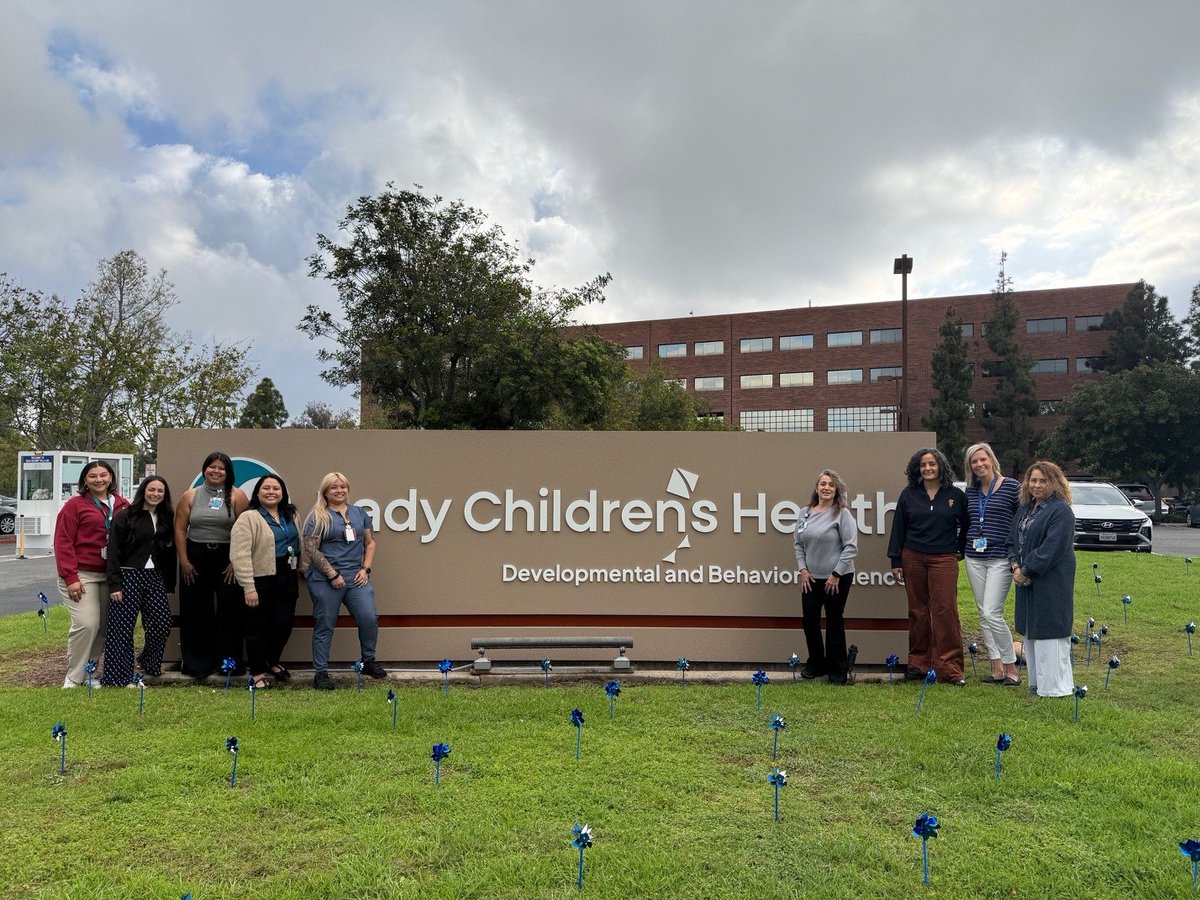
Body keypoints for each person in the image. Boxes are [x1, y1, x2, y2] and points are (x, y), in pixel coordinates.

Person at [887, 447, 969, 685]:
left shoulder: (955, 495)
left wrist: (959, 549)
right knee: (918, 612)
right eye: (923, 465)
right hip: (913, 557)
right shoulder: (909, 494)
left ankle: (950, 669)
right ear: (917, 468)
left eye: (932, 464)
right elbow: (899, 528)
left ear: (941, 466)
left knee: (946, 611)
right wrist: (896, 560)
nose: (928, 468)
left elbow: (967, 524)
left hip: (944, 559)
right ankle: (919, 664)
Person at [303, 472, 385, 690]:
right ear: (325, 491)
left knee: (369, 618)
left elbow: (370, 543)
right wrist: (333, 574)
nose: (339, 491)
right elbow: (310, 549)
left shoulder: (360, 513)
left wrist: (366, 569)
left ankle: (368, 661)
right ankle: (321, 673)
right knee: (325, 624)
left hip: (356, 576)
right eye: (333, 488)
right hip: (324, 578)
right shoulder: (318, 516)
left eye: (343, 487)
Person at [54, 460, 129, 688]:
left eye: (103, 475)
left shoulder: (122, 504)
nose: (99, 480)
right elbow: (63, 541)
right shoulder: (74, 505)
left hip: (110, 575)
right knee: (87, 624)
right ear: (85, 480)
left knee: (105, 626)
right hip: (81, 574)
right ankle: (74, 676)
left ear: (111, 478)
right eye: (93, 476)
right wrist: (70, 577)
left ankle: (90, 672)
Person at [175, 451, 248, 679]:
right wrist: (184, 561)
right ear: (204, 469)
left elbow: (244, 531)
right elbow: (179, 529)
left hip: (227, 559)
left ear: (228, 473)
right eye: (212, 467)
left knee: (230, 611)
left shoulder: (237, 496)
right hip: (195, 556)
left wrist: (235, 561)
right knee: (195, 611)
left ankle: (228, 663)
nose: (216, 471)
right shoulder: (190, 495)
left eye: (221, 468)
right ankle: (197, 664)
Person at [1007, 461, 1077, 698]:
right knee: (1032, 631)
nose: (1036, 485)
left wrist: (1027, 570)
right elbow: (1013, 541)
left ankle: (1055, 688)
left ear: (1054, 483)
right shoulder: (1025, 509)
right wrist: (1016, 566)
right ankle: (1037, 684)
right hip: (1026, 581)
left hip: (1051, 581)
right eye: (1033, 480)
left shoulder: (1061, 511)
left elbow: (1051, 548)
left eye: (1042, 481)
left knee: (1050, 631)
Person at [103, 476, 176, 685]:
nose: (155, 494)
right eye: (151, 490)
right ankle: (118, 676)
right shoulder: (125, 516)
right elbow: (114, 551)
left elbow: (170, 552)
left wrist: (170, 583)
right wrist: (115, 584)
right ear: (143, 491)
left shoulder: (166, 517)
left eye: (160, 491)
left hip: (155, 577)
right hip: (128, 575)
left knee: (161, 623)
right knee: (122, 628)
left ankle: (149, 661)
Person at [231, 473, 302, 688]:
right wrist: (248, 587)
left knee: (283, 622)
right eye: (266, 488)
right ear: (258, 492)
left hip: (287, 576)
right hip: (260, 578)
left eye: (276, 488)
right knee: (256, 628)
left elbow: (296, 544)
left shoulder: (291, 515)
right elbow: (239, 554)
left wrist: (300, 565)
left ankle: (273, 660)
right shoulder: (248, 517)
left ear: (283, 493)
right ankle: (258, 672)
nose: (271, 492)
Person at [962, 443, 1022, 686]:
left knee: (992, 612)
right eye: (974, 461)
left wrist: (1017, 557)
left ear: (991, 460)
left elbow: (1021, 522)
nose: (979, 465)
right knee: (983, 614)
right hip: (974, 557)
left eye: (982, 459)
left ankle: (1012, 668)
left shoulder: (1011, 487)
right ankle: (997, 668)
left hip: (1000, 558)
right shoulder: (970, 491)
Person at [793, 470, 859, 684]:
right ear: (816, 488)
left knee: (834, 622)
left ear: (836, 490)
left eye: (831, 484)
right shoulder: (804, 513)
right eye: (823, 483)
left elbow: (851, 547)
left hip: (837, 578)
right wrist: (803, 569)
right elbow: (798, 544)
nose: (826, 488)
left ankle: (838, 670)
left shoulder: (842, 513)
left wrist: (836, 573)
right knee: (809, 621)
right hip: (810, 578)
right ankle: (816, 664)